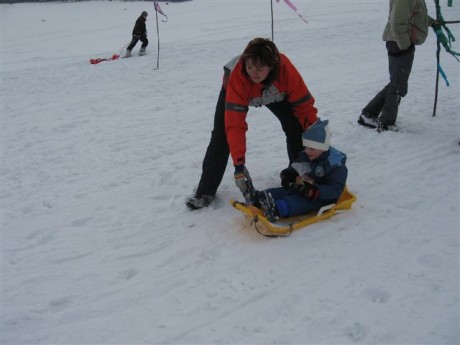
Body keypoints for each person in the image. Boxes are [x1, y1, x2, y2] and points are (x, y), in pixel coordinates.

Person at [186, 38, 319, 210]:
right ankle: (205, 192)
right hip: (238, 90)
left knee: (295, 127)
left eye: (259, 68)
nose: (253, 73)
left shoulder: (285, 72)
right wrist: (239, 166)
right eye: (249, 67)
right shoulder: (239, 76)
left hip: (274, 92)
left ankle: (299, 175)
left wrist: (316, 140)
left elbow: (305, 108)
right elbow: (235, 126)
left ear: (271, 66)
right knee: (222, 136)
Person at [358, 0, 435, 132]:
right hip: (399, 43)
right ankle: (386, 122)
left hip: (400, 42)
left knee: (396, 82)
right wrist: (404, 44)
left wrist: (432, 22)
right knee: (398, 84)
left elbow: (417, 15)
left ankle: (368, 114)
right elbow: (397, 23)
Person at [255, 119, 348, 222]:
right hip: (303, 186)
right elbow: (297, 167)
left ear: (323, 148)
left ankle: (276, 208)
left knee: (297, 202)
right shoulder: (308, 155)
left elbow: (335, 189)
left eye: (311, 148)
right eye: (306, 147)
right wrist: (288, 174)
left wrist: (315, 191)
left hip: (321, 197)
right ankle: (260, 198)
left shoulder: (335, 164)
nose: (307, 151)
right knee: (287, 190)